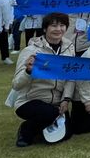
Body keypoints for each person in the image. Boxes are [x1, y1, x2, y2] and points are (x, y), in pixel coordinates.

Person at [11, 12, 75, 147]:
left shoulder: (69, 48)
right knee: (49, 114)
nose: (58, 29)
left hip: (57, 102)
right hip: (30, 100)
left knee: (67, 134)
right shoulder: (31, 51)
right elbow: (16, 85)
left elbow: (71, 77)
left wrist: (66, 99)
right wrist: (29, 71)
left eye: (62, 25)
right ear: (45, 29)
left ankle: (42, 128)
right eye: (54, 25)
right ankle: (25, 130)